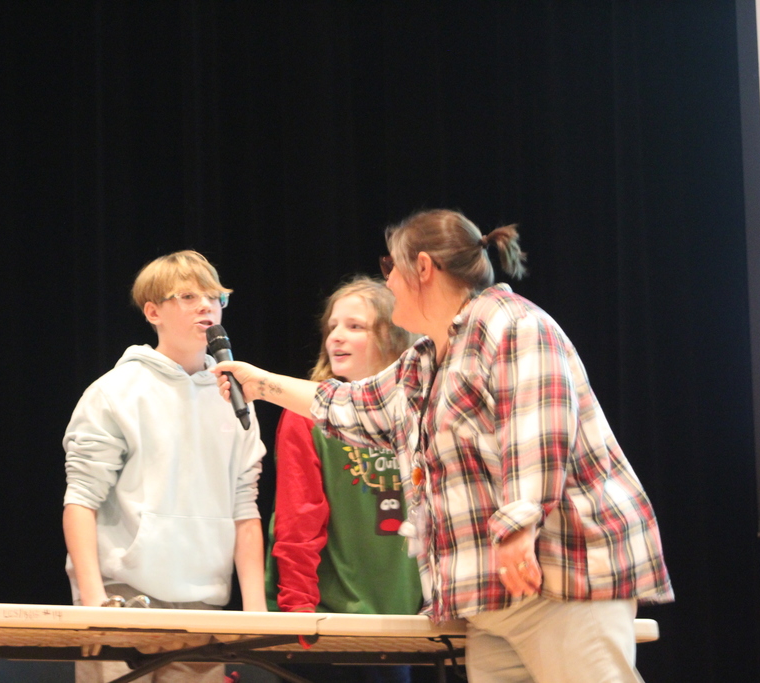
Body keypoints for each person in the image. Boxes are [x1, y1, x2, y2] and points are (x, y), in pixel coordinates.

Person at [214, 209, 674, 683]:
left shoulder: (510, 324)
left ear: (424, 268)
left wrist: (519, 524)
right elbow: (352, 404)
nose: (386, 280)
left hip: (559, 579)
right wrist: (260, 383)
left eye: (390, 266)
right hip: (493, 601)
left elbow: (538, 424)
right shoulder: (427, 359)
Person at [63, 250, 267, 683]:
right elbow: (81, 500)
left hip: (204, 609)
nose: (206, 306)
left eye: (215, 297)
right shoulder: (116, 391)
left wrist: (256, 610)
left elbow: (244, 509)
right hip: (122, 602)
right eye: (189, 295)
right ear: (153, 311)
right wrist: (94, 602)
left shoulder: (234, 396)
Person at [266, 276, 422, 683]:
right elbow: (298, 520)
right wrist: (298, 618)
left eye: (355, 327)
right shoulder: (306, 412)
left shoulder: (419, 407)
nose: (336, 337)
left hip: (407, 622)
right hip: (330, 623)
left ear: (393, 336)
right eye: (332, 327)